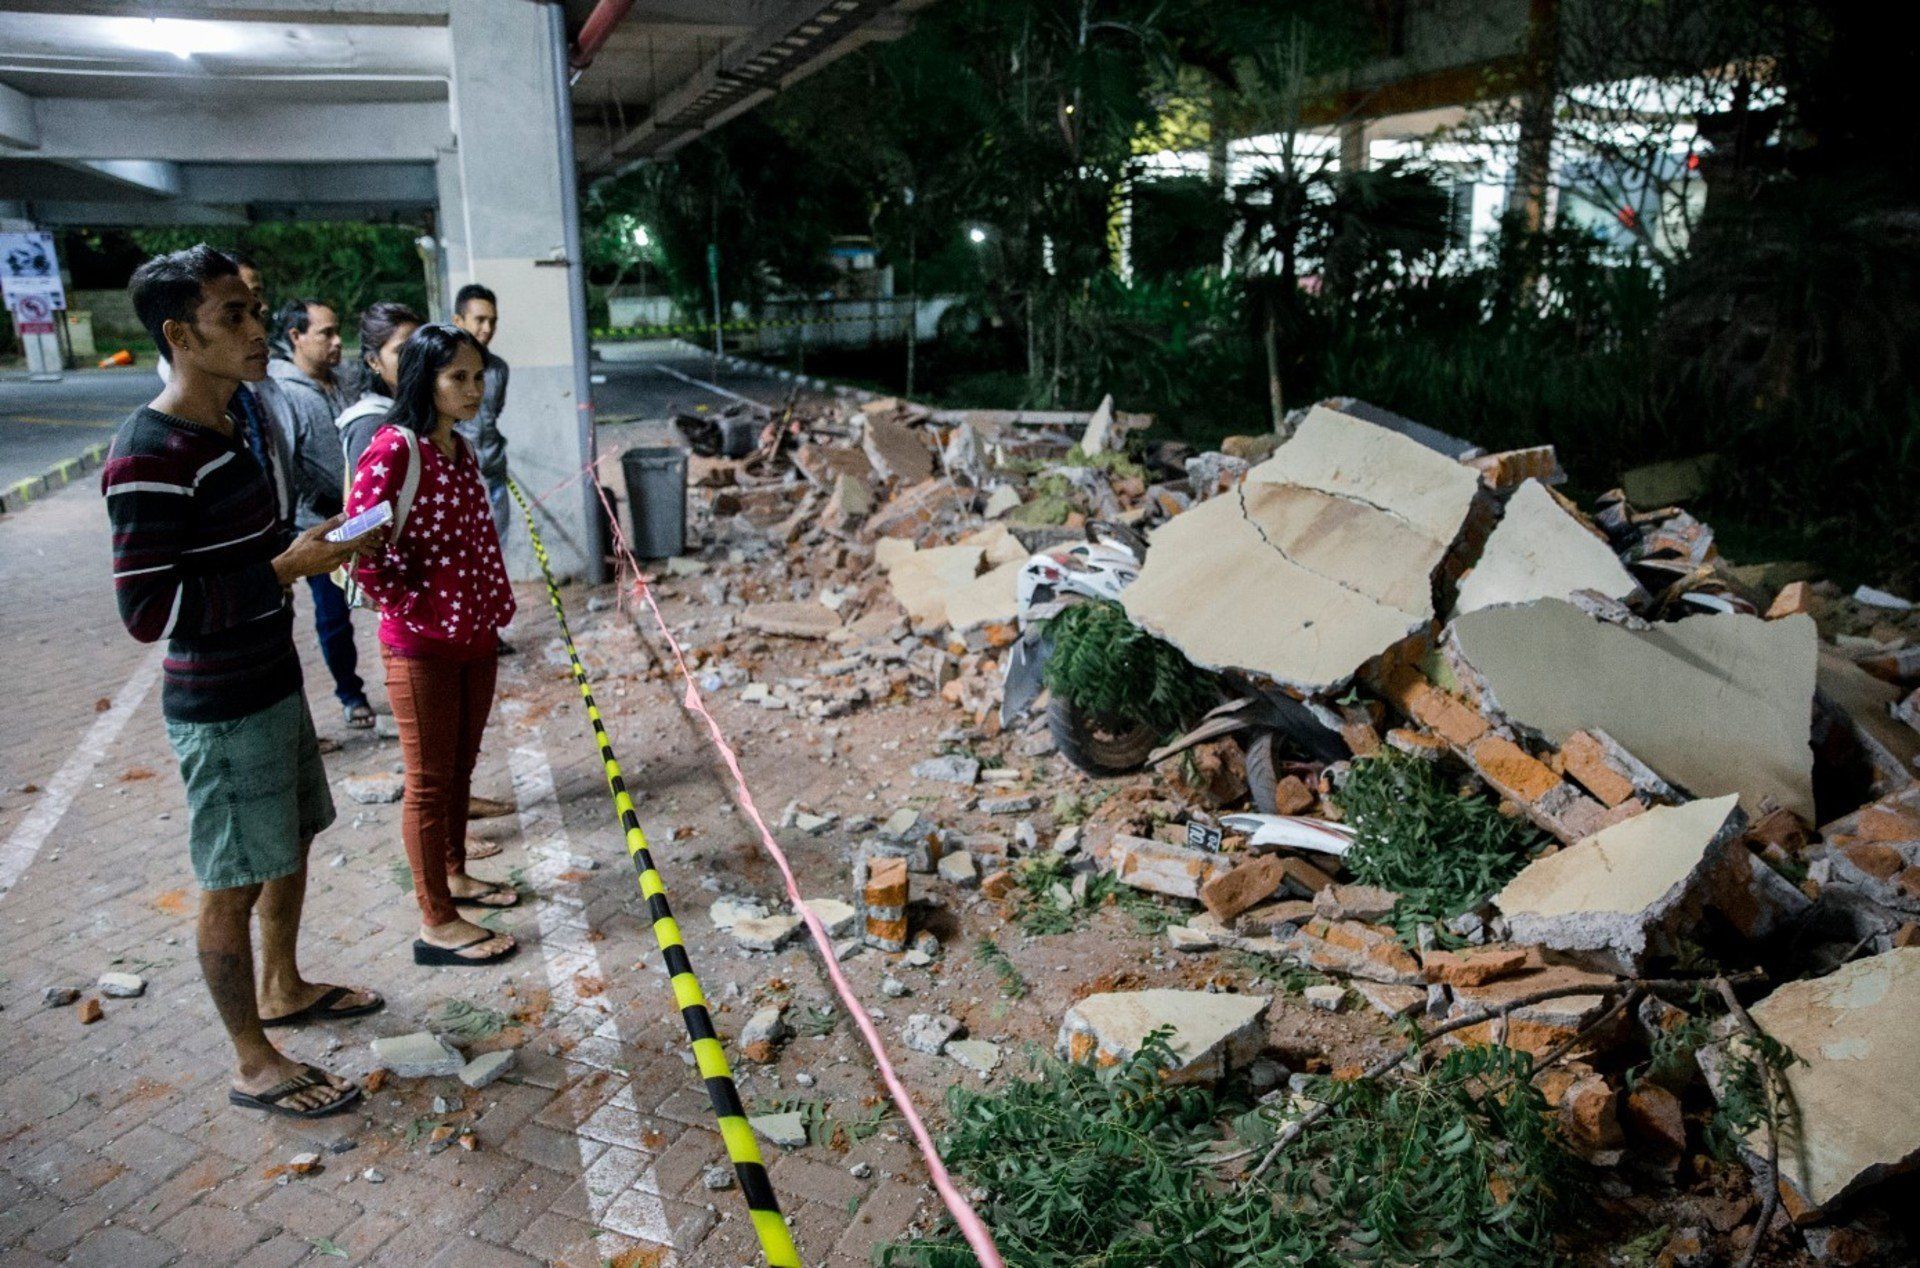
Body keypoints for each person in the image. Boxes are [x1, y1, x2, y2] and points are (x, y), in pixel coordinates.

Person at [103, 245, 384, 1119]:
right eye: (235, 317)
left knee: (291, 840)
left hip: (272, 677)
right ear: (181, 335)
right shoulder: (146, 453)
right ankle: (252, 1060)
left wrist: (323, 537)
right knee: (232, 877)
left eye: (255, 310)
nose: (259, 328)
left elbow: (258, 548)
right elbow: (148, 611)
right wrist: (283, 570)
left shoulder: (244, 418)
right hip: (219, 707)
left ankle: (284, 987)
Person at [345, 323, 521, 966]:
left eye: (478, 377)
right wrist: (407, 599)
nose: (474, 389)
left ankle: (455, 873)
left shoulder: (461, 450)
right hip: (420, 645)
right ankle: (436, 922)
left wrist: (484, 608)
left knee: (460, 768)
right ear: (426, 381)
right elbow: (358, 541)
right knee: (426, 782)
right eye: (458, 378)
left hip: (476, 635)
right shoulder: (395, 449)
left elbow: (478, 540)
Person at [262, 298, 371, 729]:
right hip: (319, 527)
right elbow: (290, 466)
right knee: (334, 616)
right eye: (325, 333)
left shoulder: (342, 382)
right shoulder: (284, 393)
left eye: (337, 330)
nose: (337, 341)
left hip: (357, 517)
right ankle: (350, 693)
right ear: (296, 337)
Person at [448, 284, 511, 541]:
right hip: (456, 479)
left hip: (493, 474)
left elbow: (493, 414)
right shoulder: (442, 369)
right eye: (480, 320)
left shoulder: (498, 369)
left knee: (495, 552)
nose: (487, 329)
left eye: (492, 321)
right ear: (458, 321)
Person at [336, 301, 422, 478]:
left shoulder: (419, 411)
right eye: (402, 350)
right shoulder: (369, 424)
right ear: (373, 361)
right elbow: (371, 503)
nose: (416, 358)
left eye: (420, 348)